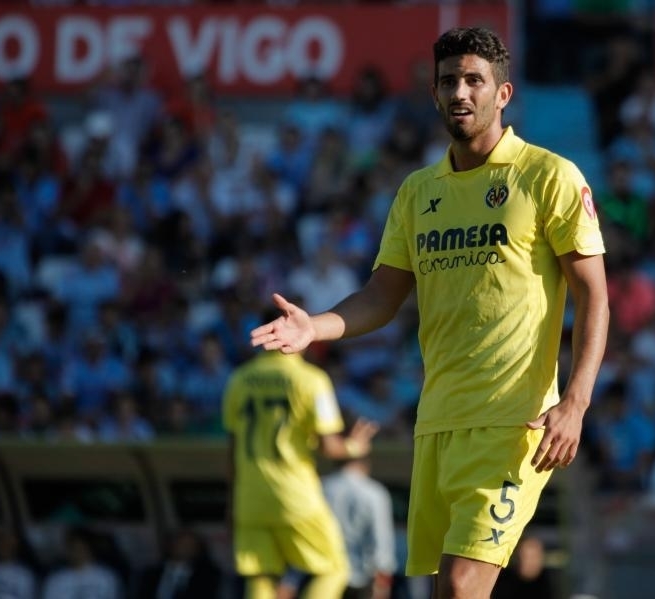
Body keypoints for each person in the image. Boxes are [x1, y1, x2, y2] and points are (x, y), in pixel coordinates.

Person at [251, 27, 609, 599]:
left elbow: (594, 294)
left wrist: (576, 401)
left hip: (514, 424)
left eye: (474, 80)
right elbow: (381, 296)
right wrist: (314, 326)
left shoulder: (549, 176)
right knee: (448, 591)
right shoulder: (418, 192)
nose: (460, 92)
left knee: (464, 585)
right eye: (449, 82)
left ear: (503, 93)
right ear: (434, 94)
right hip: (437, 423)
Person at [223, 314, 380, 599]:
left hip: (250, 495)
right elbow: (329, 447)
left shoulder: (238, 379)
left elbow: (232, 449)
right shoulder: (311, 380)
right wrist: (355, 447)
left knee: (260, 574)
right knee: (334, 569)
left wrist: (233, 500)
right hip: (294, 495)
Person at [323, 452, 398, 599]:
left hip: (324, 575)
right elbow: (381, 539)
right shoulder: (374, 492)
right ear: (365, 463)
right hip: (360, 577)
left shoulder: (322, 488)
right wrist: (382, 581)